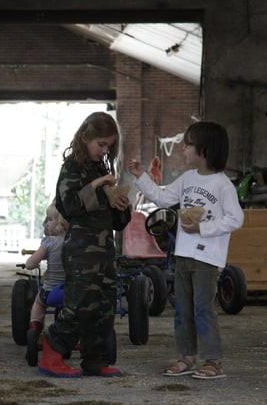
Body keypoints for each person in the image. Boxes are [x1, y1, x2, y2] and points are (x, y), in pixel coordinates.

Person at [127, 121, 244, 380]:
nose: (183, 150)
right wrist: (140, 177)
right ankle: (187, 357)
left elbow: (236, 219)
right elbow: (163, 198)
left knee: (203, 308)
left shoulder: (223, 185)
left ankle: (213, 361)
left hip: (205, 257)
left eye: (188, 145)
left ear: (204, 150)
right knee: (182, 308)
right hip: (183, 254)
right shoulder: (187, 179)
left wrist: (203, 228)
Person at [39, 111, 131, 378]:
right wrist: (98, 185)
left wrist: (121, 206)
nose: (104, 151)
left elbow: (117, 222)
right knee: (79, 304)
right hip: (81, 250)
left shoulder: (101, 167)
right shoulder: (71, 168)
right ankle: (52, 353)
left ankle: (95, 359)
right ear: (84, 137)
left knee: (104, 305)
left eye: (109, 147)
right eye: (101, 144)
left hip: (104, 251)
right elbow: (68, 206)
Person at [23, 201, 68, 349]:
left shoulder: (48, 242)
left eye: (50, 219)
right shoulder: (74, 242)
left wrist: (32, 260)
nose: (47, 223)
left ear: (61, 224)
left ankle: (35, 327)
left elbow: (30, 264)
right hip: (72, 293)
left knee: (38, 303)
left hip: (49, 292)